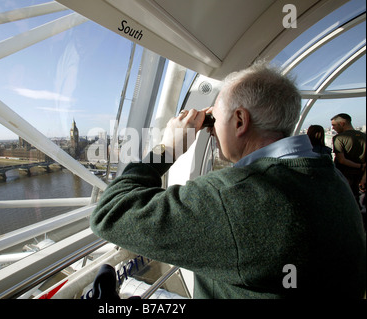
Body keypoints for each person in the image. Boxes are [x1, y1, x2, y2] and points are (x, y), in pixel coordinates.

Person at [90, 63, 366, 298]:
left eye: (213, 119)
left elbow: (110, 213)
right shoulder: (330, 175)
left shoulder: (235, 196)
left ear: (239, 121)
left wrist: (168, 149)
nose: (209, 131)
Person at [330, 113, 366, 208]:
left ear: (342, 123)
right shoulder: (364, 136)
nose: (333, 128)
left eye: (334, 125)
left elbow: (341, 160)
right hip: (360, 176)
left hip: (344, 175)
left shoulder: (339, 138)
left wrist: (359, 166)